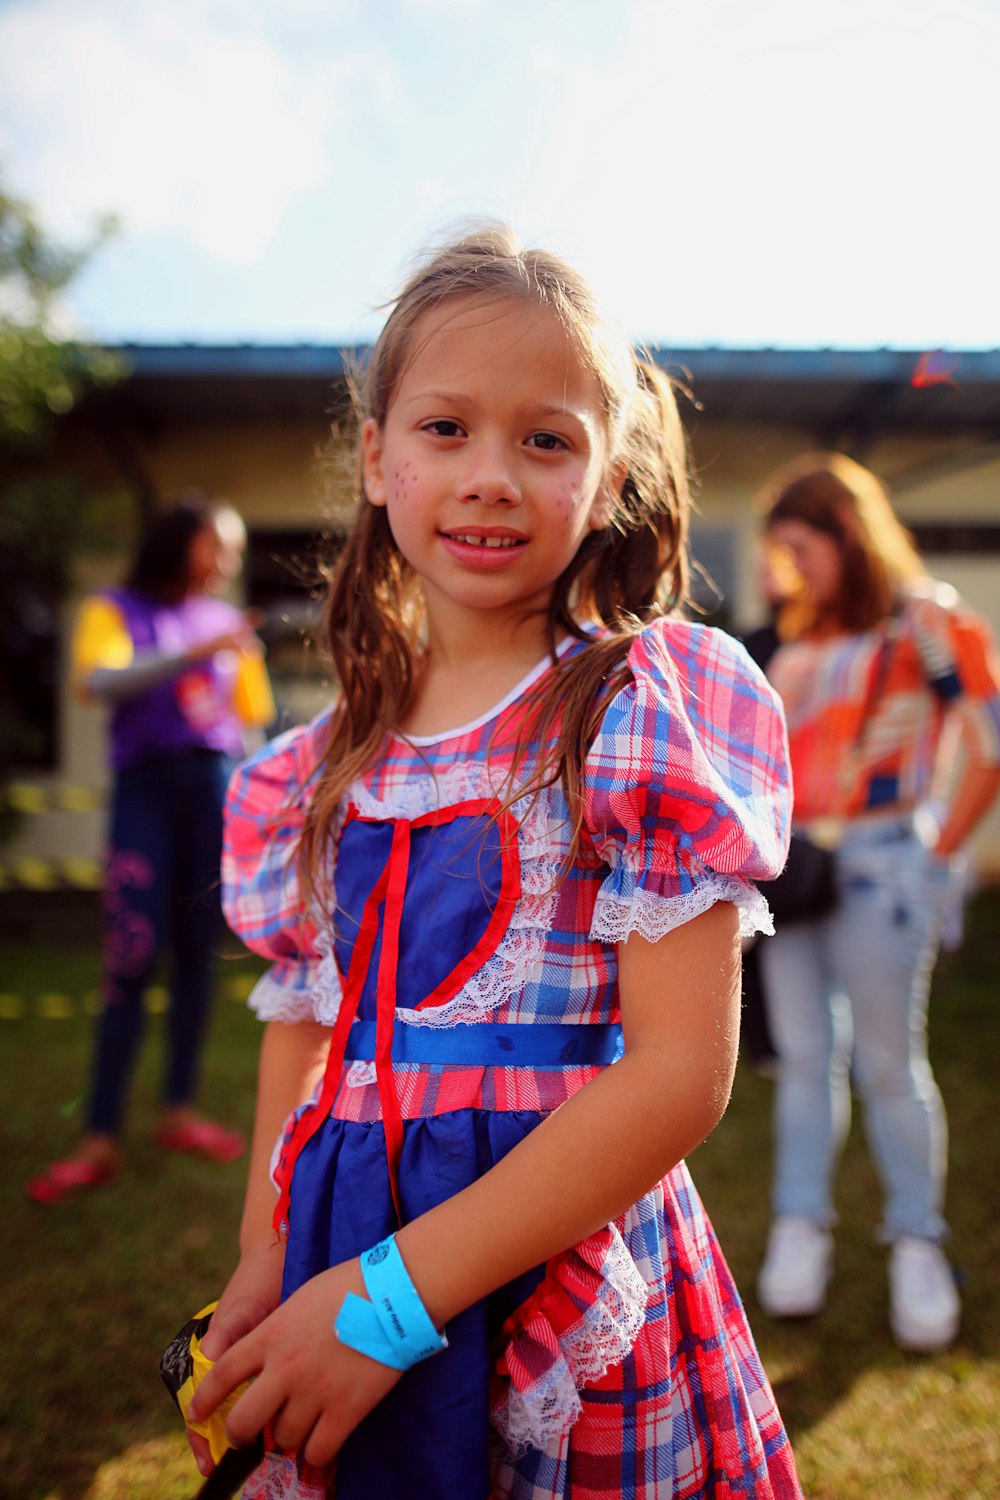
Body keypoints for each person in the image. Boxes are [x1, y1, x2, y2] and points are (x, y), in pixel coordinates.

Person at [186, 226, 801, 1500]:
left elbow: (683, 1073)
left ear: (608, 472)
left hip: (555, 1275)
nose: (490, 477)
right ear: (374, 456)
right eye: (445, 429)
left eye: (546, 439)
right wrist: (266, 1261)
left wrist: (387, 1306)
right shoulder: (315, 766)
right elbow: (306, 1036)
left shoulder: (637, 708)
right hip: (335, 1245)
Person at [752, 452, 1000, 1352]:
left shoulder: (926, 618)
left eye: (800, 546)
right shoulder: (799, 628)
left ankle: (916, 1242)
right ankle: (800, 1227)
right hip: (792, 873)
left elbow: (989, 740)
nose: (790, 566)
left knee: (890, 1065)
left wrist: (937, 852)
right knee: (806, 1059)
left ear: (845, 535)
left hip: (883, 863)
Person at [26, 495, 275, 1205]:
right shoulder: (114, 610)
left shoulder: (227, 622)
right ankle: (98, 1135)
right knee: (132, 954)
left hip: (213, 794)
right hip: (145, 793)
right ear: (179, 542)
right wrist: (192, 654)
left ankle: (179, 1112)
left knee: (198, 952)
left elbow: (249, 724)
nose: (227, 563)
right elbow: (100, 684)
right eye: (217, 546)